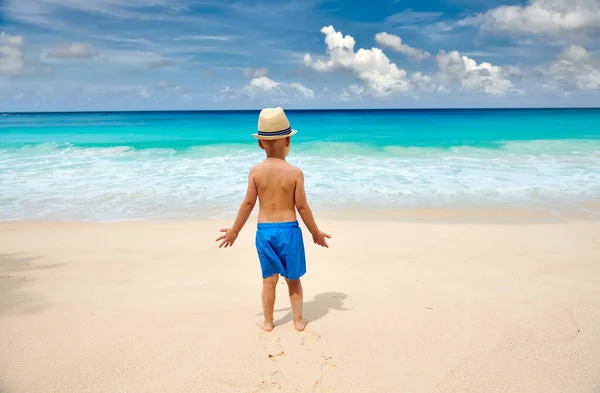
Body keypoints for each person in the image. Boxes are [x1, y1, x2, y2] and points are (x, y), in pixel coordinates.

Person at [216, 107, 331, 332]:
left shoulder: (256, 172)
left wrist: (234, 231)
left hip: (265, 232)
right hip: (290, 232)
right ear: (288, 140)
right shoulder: (295, 173)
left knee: (269, 279)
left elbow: (248, 204)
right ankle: (298, 321)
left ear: (260, 144)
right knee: (293, 279)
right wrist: (315, 232)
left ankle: (268, 323)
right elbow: (302, 206)